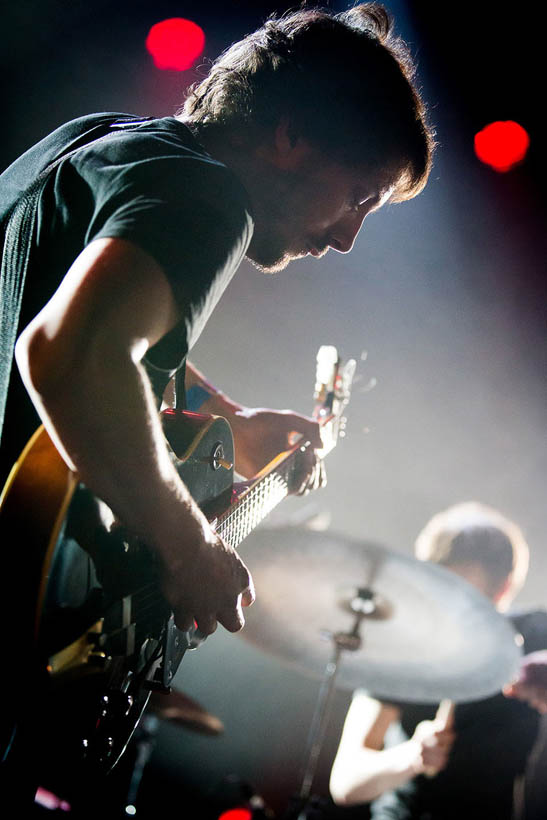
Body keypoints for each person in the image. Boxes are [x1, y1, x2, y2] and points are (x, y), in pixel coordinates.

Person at [0, 2, 434, 802]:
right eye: (357, 195)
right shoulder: (207, 199)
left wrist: (228, 422)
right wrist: (188, 548)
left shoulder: (104, 144)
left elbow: (95, 332)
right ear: (290, 136)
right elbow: (71, 354)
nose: (345, 238)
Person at [329, 502, 547, 820]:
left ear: (502, 589)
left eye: (462, 595)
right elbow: (346, 783)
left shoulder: (535, 635)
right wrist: (412, 756)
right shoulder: (401, 650)